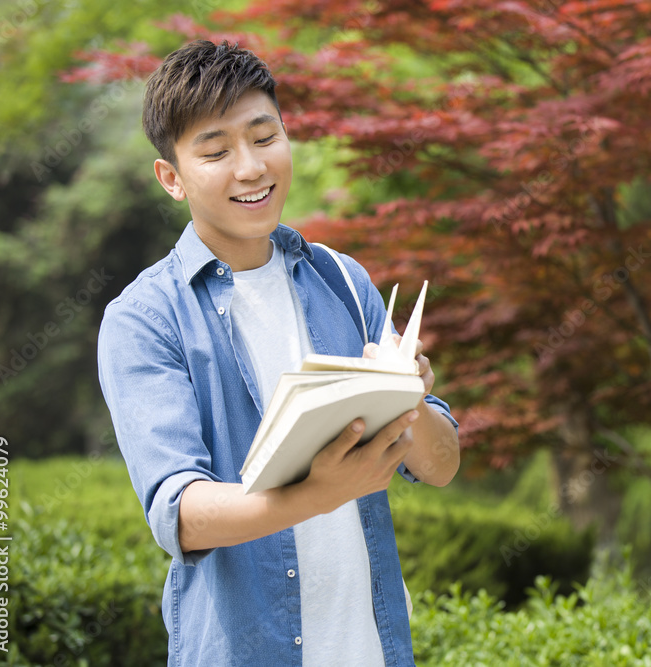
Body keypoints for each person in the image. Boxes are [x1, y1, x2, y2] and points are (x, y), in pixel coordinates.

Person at [97, 39, 460, 666]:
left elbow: (441, 464)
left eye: (265, 138)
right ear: (172, 179)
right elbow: (179, 515)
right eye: (215, 151)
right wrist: (318, 494)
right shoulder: (145, 319)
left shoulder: (343, 281)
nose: (251, 168)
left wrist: (412, 401)